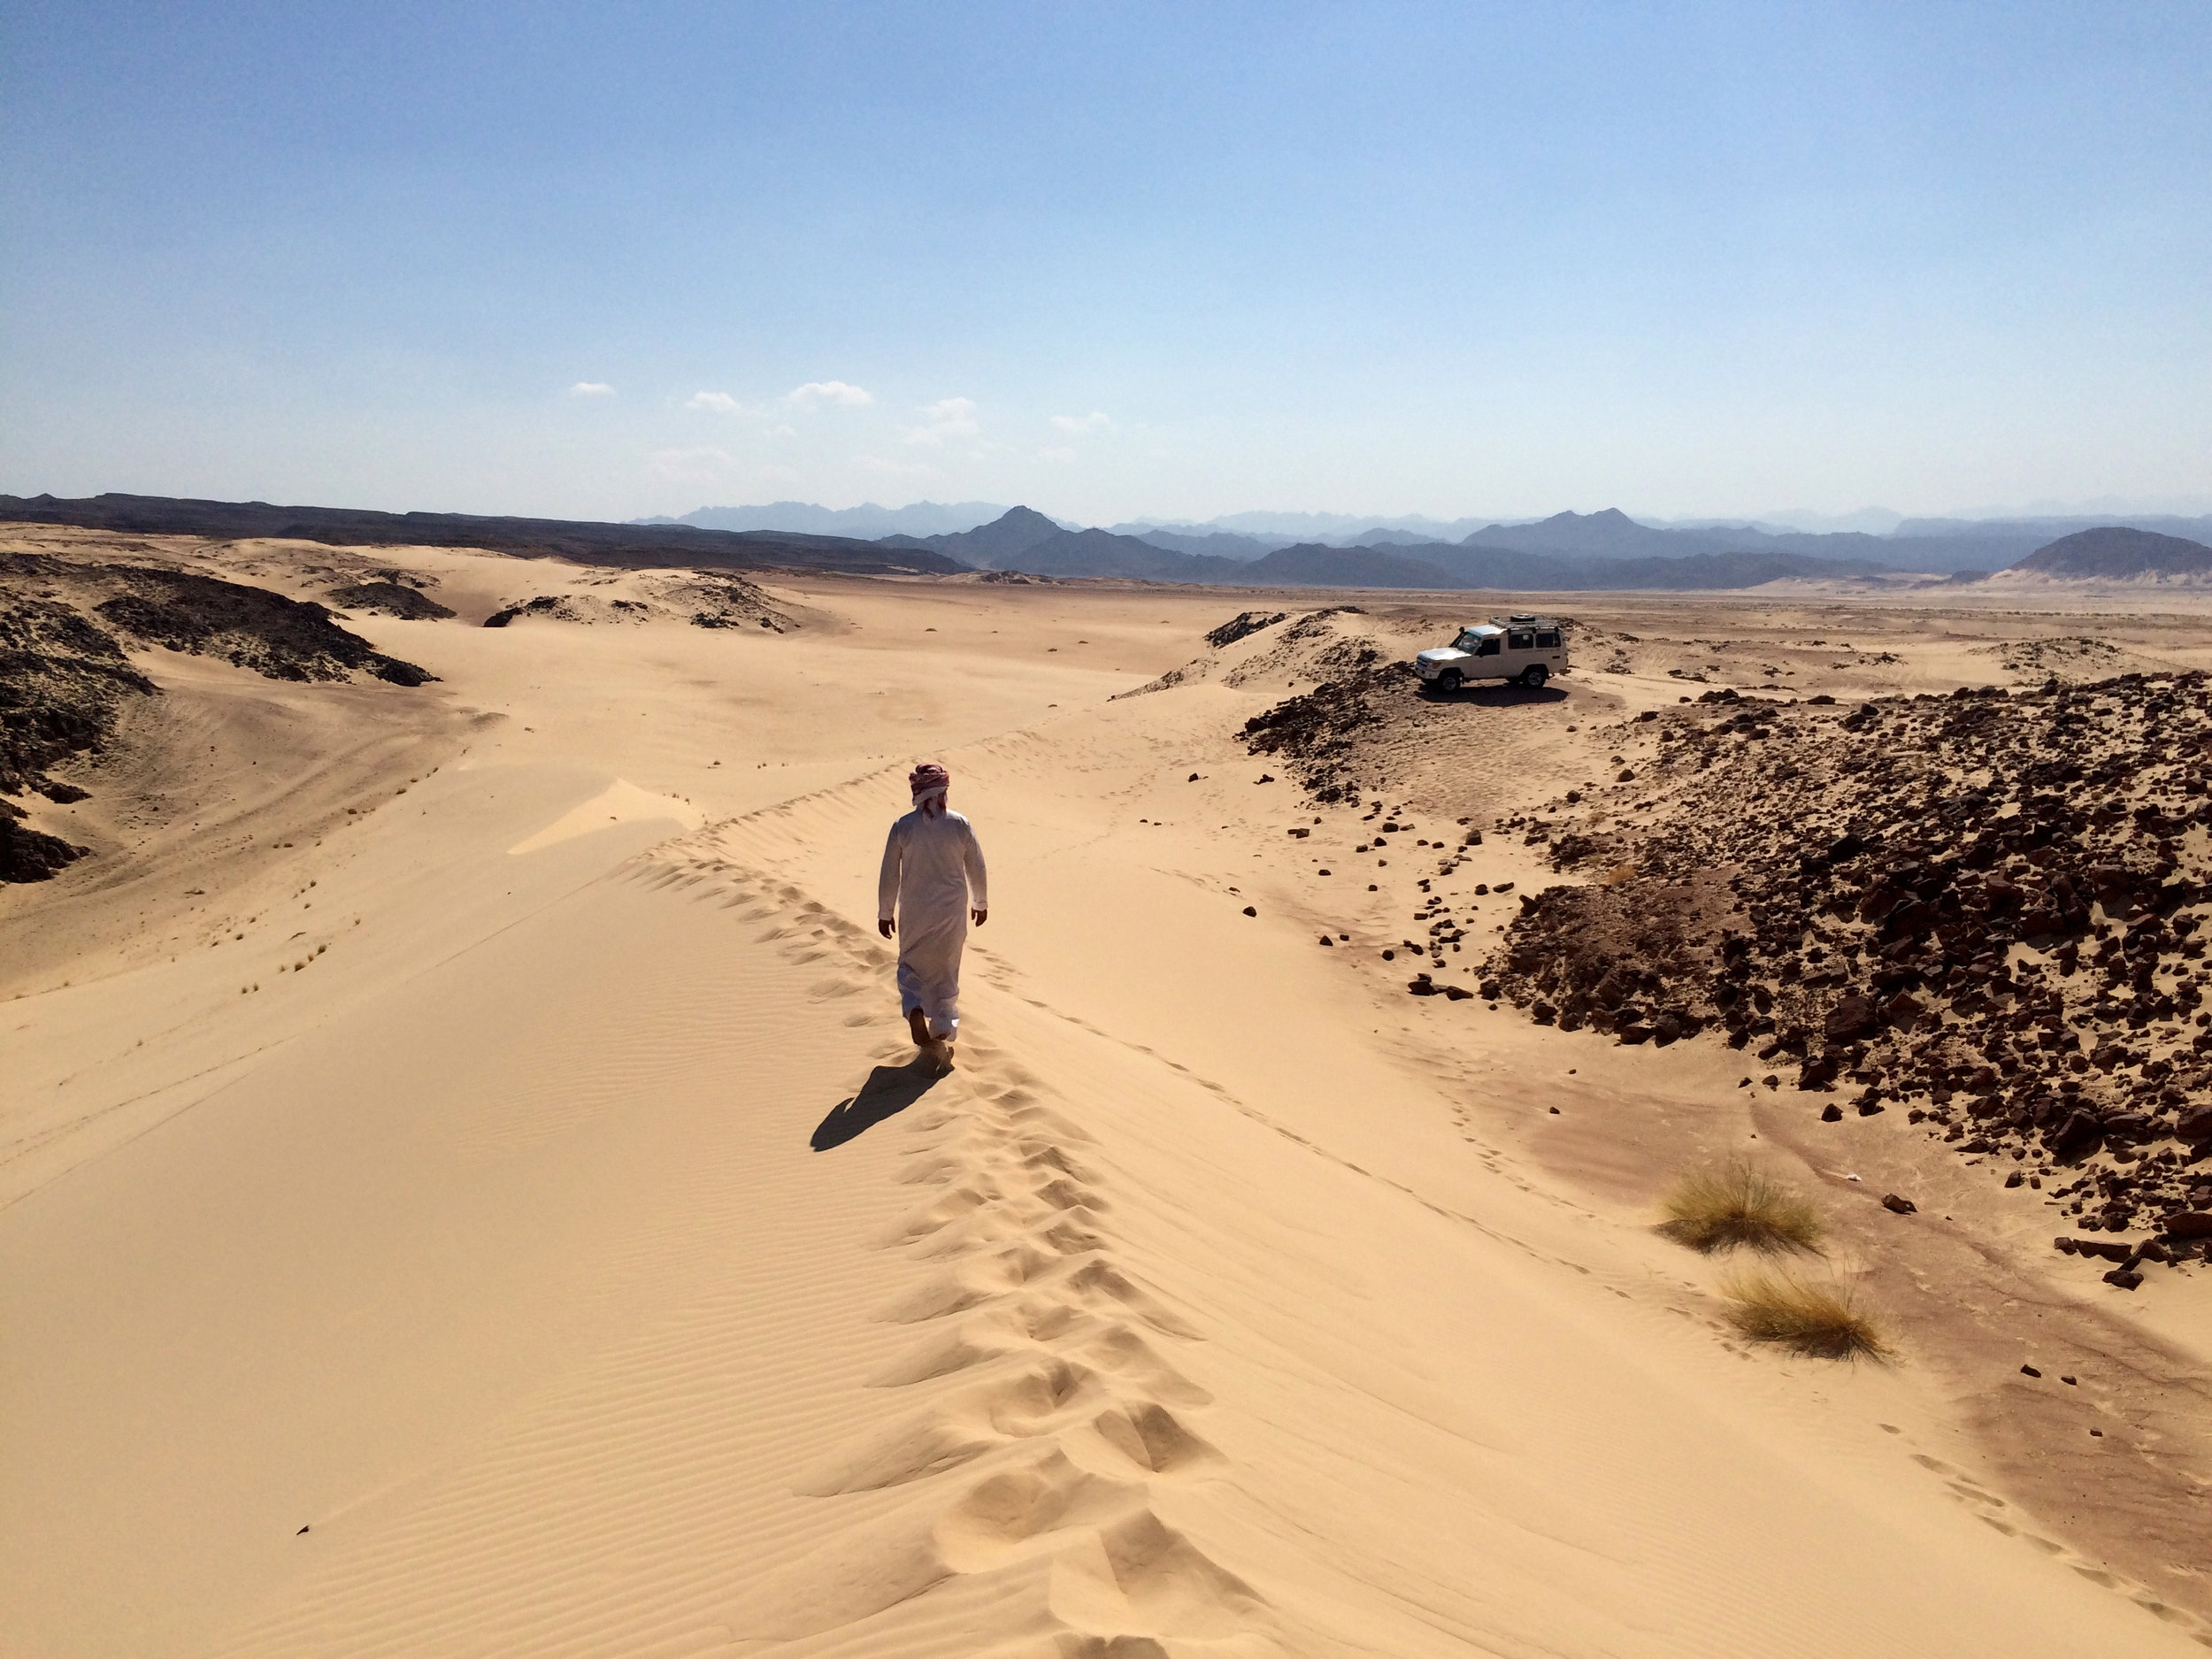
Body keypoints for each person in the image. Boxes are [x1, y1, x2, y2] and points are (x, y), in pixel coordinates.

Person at [877, 762, 988, 1067]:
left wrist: (885, 911)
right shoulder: (960, 824)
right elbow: (976, 867)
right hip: (952, 910)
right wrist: (981, 902)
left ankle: (913, 1007)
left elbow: (889, 873)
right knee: (946, 968)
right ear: (944, 792)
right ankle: (940, 1032)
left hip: (915, 908)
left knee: (910, 964)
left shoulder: (903, 826)